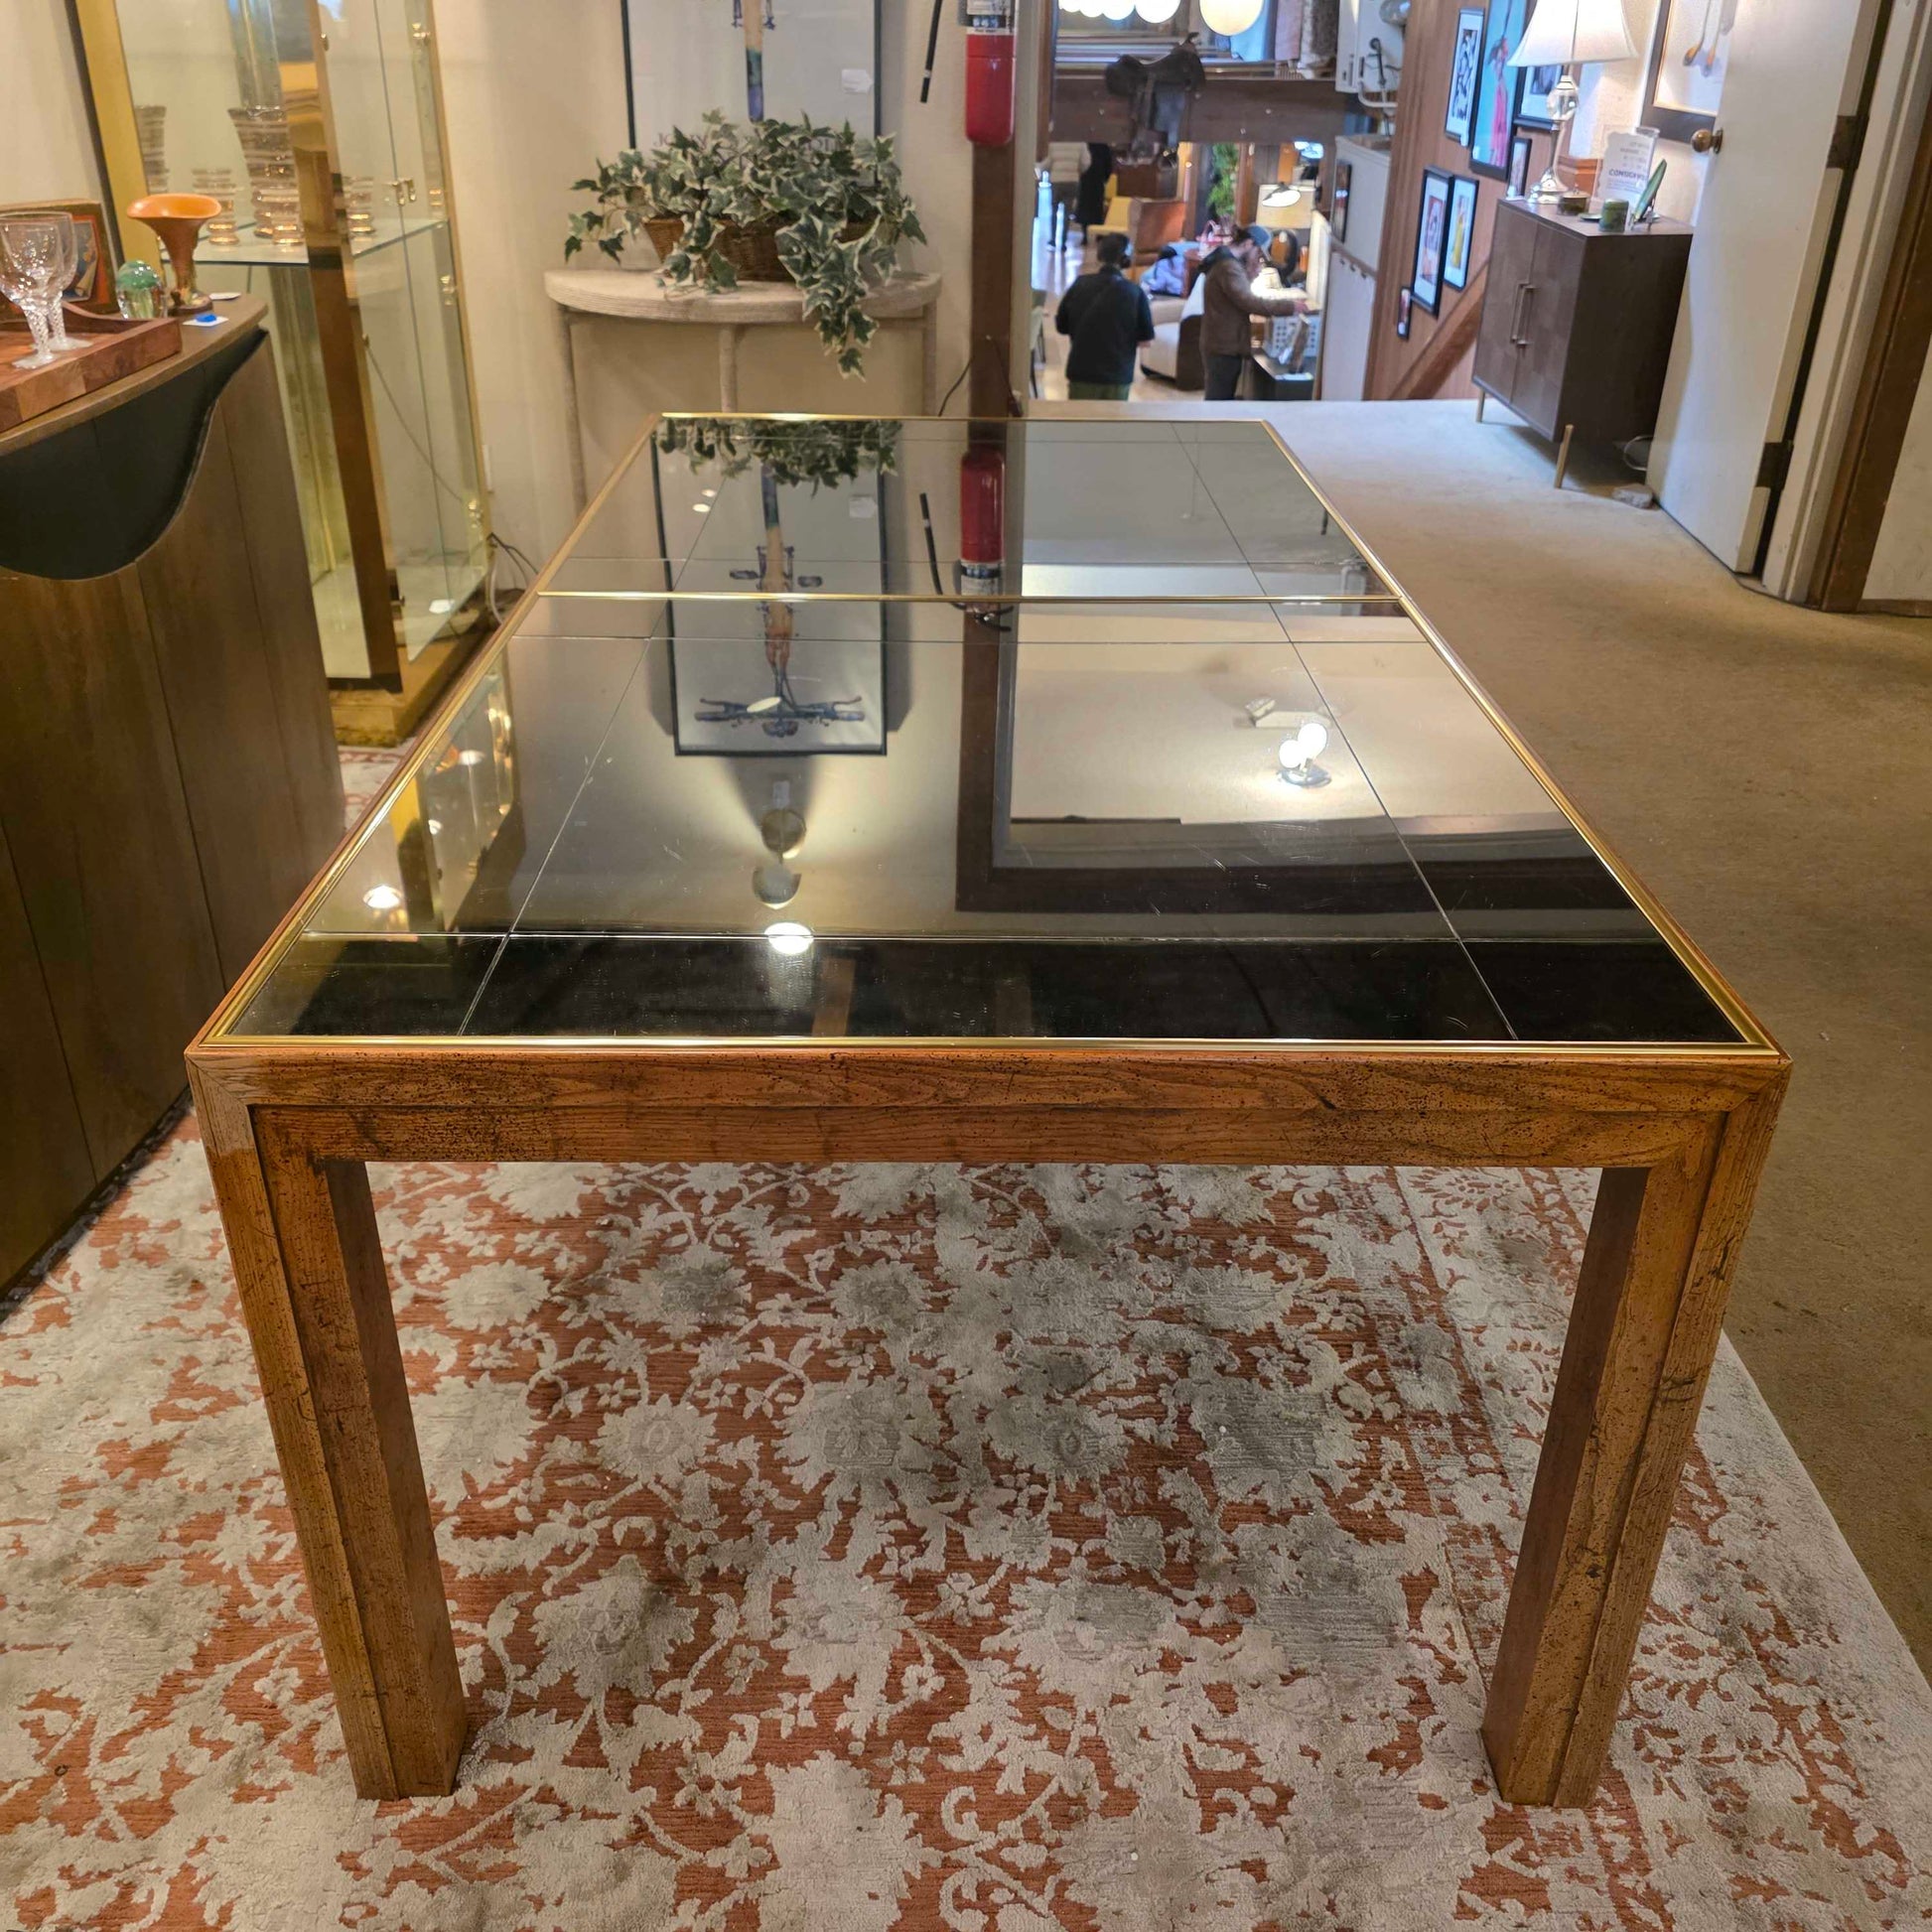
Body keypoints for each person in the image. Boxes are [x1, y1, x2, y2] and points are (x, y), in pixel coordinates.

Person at [1198, 222, 1306, 402]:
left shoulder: (1225, 263)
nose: (1258, 258)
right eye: (1258, 253)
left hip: (1219, 343)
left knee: (1219, 400)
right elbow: (1249, 301)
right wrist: (1290, 306)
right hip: (1223, 348)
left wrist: (1251, 272)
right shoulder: (1229, 268)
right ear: (1249, 244)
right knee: (1217, 403)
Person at [1054, 232, 1155, 401]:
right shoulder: (1134, 292)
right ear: (1125, 259)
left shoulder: (1080, 284)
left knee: (1079, 424)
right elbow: (1145, 341)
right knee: (1112, 425)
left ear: (1100, 255)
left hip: (1081, 373)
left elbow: (1061, 327)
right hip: (1117, 376)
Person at [1074, 143, 1114, 240]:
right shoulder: (1104, 146)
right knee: (1097, 207)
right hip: (1098, 180)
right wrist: (1105, 178)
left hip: (1085, 179)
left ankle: (1085, 235)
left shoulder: (1085, 144)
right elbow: (1108, 165)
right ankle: (1098, 234)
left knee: (1084, 206)